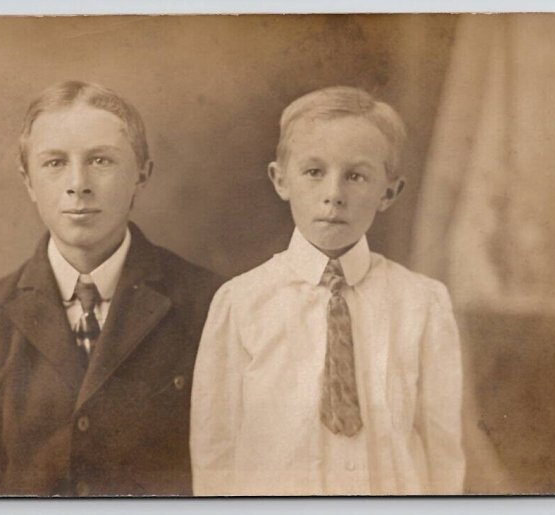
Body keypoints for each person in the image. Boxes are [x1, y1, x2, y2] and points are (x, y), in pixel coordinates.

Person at [0, 80, 222, 497]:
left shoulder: (211, 303)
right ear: (28, 182)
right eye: (55, 163)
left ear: (142, 174)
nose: (78, 184)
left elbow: (239, 470)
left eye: (101, 160)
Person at [190, 86, 465, 495]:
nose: (334, 195)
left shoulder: (423, 304)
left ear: (389, 192)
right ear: (281, 180)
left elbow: (443, 450)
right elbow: (216, 450)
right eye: (314, 171)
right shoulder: (241, 302)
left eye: (356, 176)